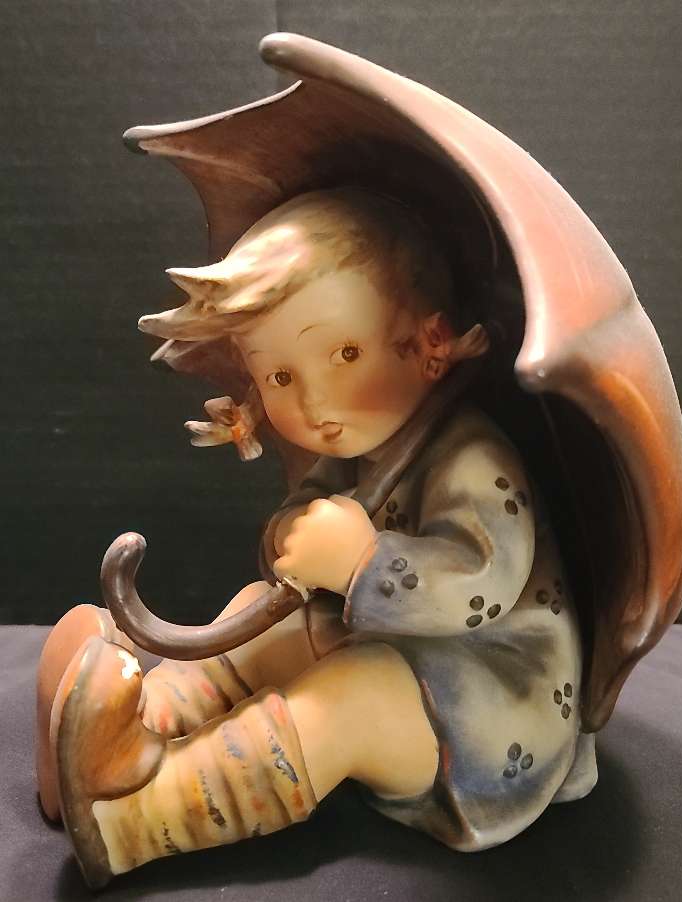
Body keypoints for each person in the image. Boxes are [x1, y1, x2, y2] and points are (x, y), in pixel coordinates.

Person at [39, 188, 595, 889]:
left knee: (349, 700)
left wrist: (364, 562)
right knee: (260, 616)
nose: (314, 404)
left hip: (485, 706)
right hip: (392, 647)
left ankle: (136, 817)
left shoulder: (473, 459)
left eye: (347, 352)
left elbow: (483, 584)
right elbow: (300, 525)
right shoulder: (362, 451)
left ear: (430, 344)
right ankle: (135, 726)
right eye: (280, 375)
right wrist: (293, 539)